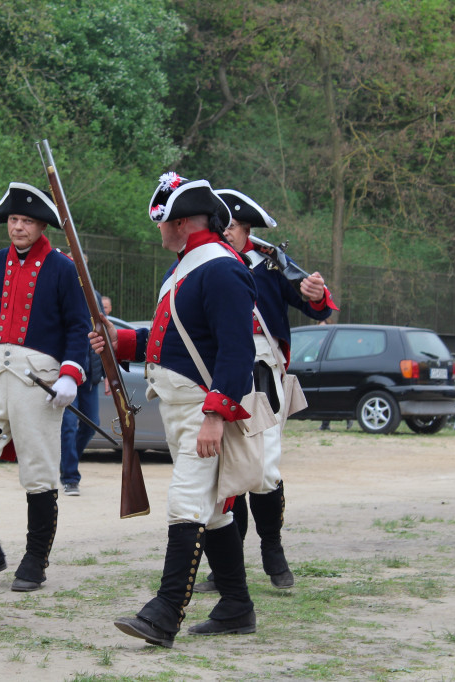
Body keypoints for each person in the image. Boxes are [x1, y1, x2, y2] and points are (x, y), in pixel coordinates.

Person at [92, 172, 258, 648]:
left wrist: (215, 415)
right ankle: (236, 606)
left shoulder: (220, 269)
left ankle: (165, 613)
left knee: (187, 504)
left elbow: (235, 353)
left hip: (204, 411)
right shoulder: (188, 267)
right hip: (181, 409)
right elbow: (170, 343)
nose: (159, 230)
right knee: (217, 512)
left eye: (164, 222)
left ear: (181, 223)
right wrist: (121, 339)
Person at [0, 182, 92, 592]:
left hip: (38, 385)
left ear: (40, 225)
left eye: (26, 221)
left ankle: (35, 559)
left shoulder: (64, 269)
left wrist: (70, 373)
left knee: (39, 471)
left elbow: (77, 327)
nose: (17, 227)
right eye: (13, 220)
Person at [195, 189, 337, 591]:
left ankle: (273, 553)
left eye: (232, 228)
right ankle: (227, 566)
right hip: (215, 371)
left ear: (246, 230)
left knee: (264, 466)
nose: (225, 234)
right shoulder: (202, 265)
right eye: (220, 226)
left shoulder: (271, 265)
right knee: (227, 468)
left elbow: (318, 307)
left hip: (260, 374)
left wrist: (316, 291)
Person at [60, 285, 104, 496]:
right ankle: (70, 477)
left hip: (90, 376)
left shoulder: (93, 295)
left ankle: (66, 462)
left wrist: (104, 373)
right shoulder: (60, 289)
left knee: (91, 424)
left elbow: (102, 335)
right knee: (68, 426)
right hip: (68, 372)